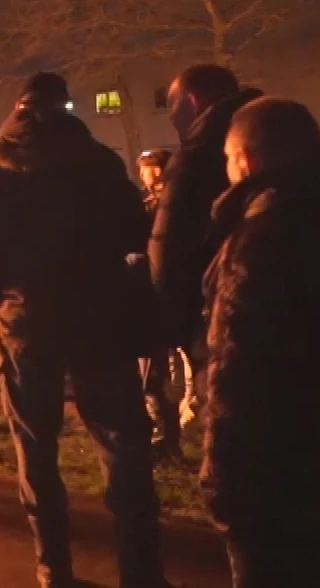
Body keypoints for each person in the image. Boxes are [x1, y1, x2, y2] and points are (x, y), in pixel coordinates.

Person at [0, 73, 166, 588]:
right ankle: (140, 570)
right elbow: (130, 229)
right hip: (97, 318)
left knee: (35, 445)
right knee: (122, 442)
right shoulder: (94, 159)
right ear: (64, 104)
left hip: (24, 322)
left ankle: (53, 566)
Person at [203, 98, 320, 585]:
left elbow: (239, 369)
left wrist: (223, 483)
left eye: (227, 158)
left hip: (286, 472)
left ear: (247, 160)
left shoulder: (264, 235)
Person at [150, 65, 260, 430]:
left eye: (173, 105)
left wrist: (167, 324)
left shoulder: (194, 158)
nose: (171, 117)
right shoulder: (281, 133)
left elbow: (169, 246)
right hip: (307, 322)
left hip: (218, 315)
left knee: (233, 428)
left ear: (193, 101)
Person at [135, 149, 181, 458]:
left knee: (157, 374)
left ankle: (165, 435)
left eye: (149, 168)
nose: (144, 174)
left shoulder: (168, 206)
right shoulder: (150, 203)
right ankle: (165, 433)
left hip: (162, 297)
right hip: (152, 296)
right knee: (155, 374)